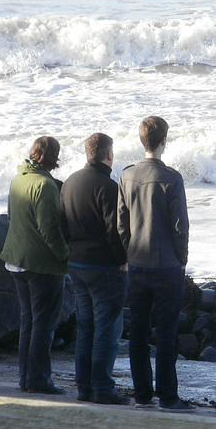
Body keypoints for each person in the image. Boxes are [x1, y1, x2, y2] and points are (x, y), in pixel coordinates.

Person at [117, 116, 195, 412]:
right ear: (164, 141)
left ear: (142, 141)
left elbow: (121, 224)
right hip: (166, 267)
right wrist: (182, 260)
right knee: (166, 333)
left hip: (136, 265)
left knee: (137, 332)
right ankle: (168, 396)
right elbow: (180, 226)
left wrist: (129, 254)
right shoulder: (172, 178)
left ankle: (142, 395)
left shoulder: (126, 176)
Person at [59, 133, 129, 405]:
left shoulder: (70, 182)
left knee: (85, 327)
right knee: (107, 328)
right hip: (103, 267)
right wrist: (121, 261)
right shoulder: (108, 187)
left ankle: (84, 387)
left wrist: (72, 250)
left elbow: (61, 223)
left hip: (76, 263)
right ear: (108, 155)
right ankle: (102, 387)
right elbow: (116, 232)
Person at [0, 136, 69, 395]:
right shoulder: (46, 185)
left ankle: (25, 378)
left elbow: (10, 215)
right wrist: (65, 255)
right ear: (54, 157)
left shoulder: (18, 178)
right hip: (41, 265)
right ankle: (38, 380)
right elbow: (49, 229)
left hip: (15, 260)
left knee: (28, 322)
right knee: (43, 324)